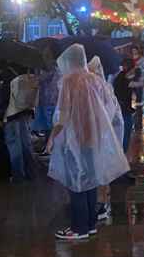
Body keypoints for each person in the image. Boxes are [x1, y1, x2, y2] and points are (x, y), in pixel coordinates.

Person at [46, 45, 129, 240]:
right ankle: (90, 224)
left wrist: (53, 136)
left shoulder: (69, 81)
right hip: (95, 139)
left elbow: (64, 114)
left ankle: (79, 228)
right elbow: (110, 108)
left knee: (76, 183)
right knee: (91, 181)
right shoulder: (96, 80)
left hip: (75, 140)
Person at [87, 55, 124, 222]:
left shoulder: (103, 89)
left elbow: (109, 117)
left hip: (104, 139)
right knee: (99, 173)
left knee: (101, 173)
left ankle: (101, 205)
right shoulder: (99, 88)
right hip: (101, 139)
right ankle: (99, 203)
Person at [3, 66, 39, 182]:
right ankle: (31, 173)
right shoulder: (33, 79)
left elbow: (4, 99)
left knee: (14, 147)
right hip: (26, 113)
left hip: (12, 114)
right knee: (26, 144)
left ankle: (18, 176)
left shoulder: (11, 78)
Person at [33, 46, 61, 137]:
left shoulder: (52, 66)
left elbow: (40, 79)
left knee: (49, 123)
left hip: (50, 100)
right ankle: (48, 143)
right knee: (46, 123)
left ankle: (50, 145)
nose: (44, 55)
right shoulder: (46, 66)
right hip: (45, 99)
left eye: (47, 54)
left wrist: (36, 75)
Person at [113, 58, 137, 153]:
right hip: (124, 111)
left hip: (121, 110)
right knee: (125, 135)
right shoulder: (123, 78)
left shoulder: (120, 77)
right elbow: (132, 85)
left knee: (122, 135)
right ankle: (122, 157)